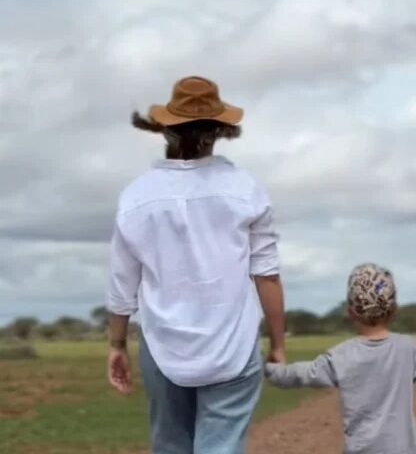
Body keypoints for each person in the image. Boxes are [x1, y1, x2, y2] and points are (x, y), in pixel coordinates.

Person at [105, 76, 286, 453]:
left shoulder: (136, 196)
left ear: (165, 128)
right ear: (220, 130)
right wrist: (278, 344)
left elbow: (122, 286)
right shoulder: (246, 189)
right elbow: (266, 274)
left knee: (170, 445)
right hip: (233, 348)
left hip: (163, 348)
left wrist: (117, 344)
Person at [266, 263, 416, 454]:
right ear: (395, 311)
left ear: (350, 313)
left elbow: (300, 374)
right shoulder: (408, 349)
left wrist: (273, 369)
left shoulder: (340, 355)